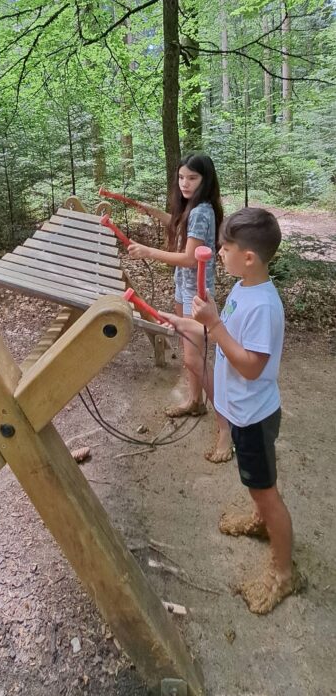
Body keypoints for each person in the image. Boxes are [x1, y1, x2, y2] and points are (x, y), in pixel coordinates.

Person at [161, 207, 303, 614]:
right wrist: (183, 322)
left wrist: (215, 326)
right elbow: (221, 335)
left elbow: (250, 365)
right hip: (242, 413)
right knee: (256, 485)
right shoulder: (244, 288)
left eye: (225, 247)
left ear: (249, 257)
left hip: (254, 417)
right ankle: (261, 520)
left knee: (266, 492)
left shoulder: (264, 305)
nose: (218, 252)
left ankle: (283, 572)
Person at [128, 152, 233, 463]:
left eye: (193, 178)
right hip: (183, 288)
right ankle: (194, 401)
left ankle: (225, 428)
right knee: (192, 358)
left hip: (196, 295)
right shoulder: (194, 208)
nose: (185, 183)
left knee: (195, 360)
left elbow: (189, 258)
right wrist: (155, 213)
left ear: (206, 180)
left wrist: (148, 251)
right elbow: (182, 228)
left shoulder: (202, 211)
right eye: (181, 177)